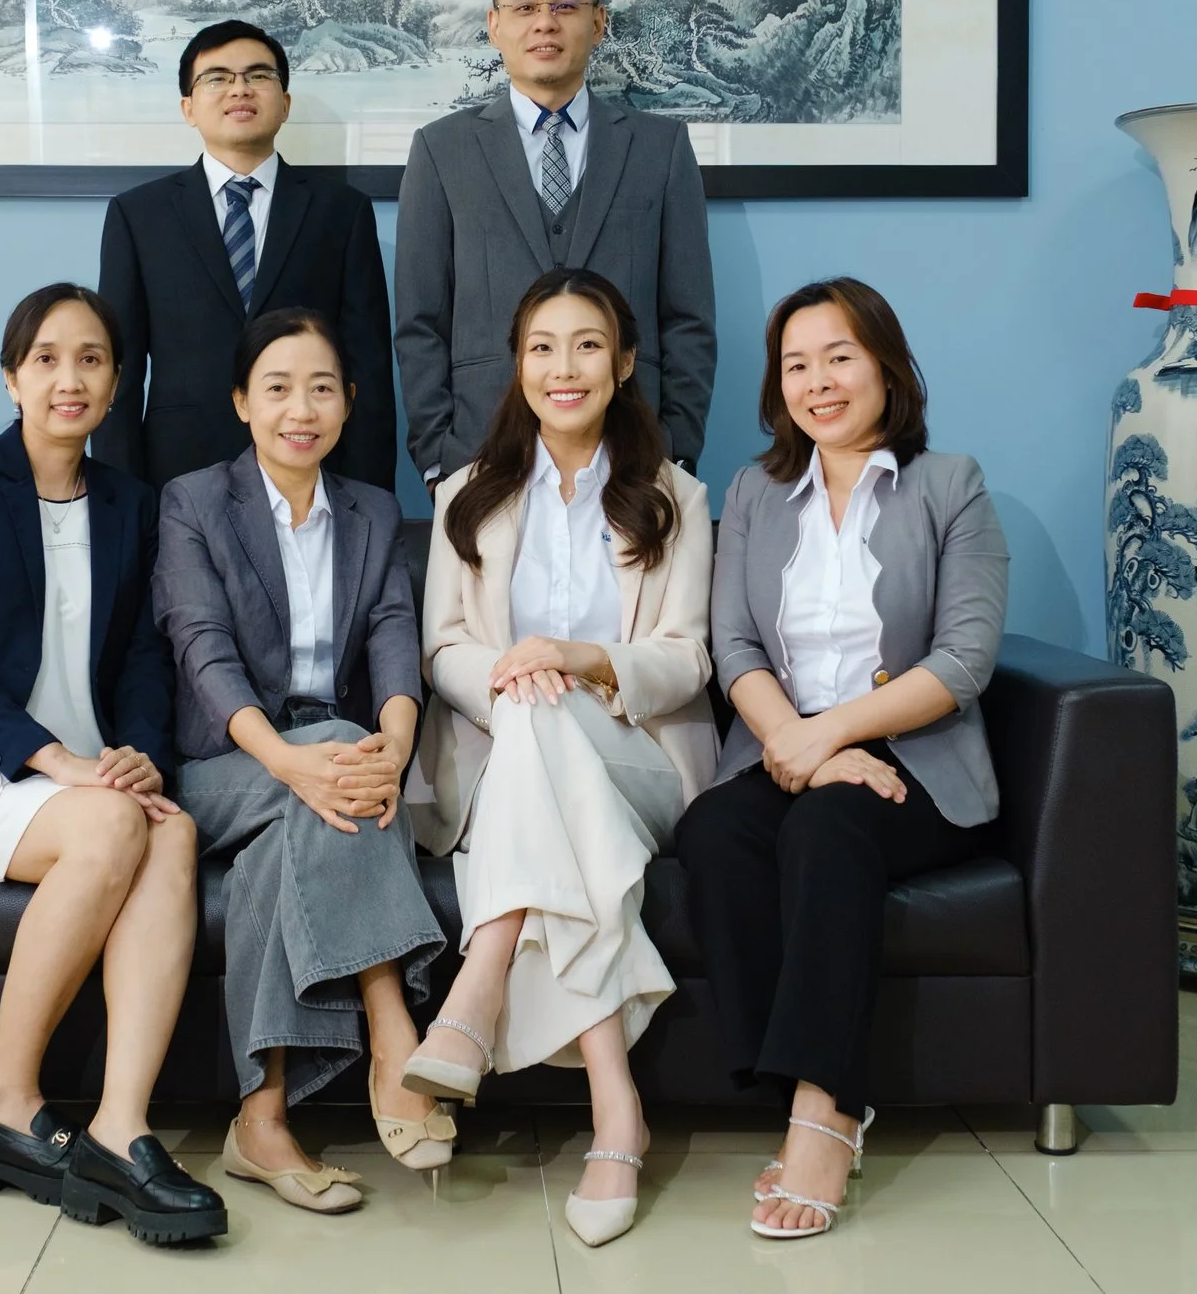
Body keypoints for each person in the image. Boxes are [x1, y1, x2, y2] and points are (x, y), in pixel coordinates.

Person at [0, 283, 226, 1247]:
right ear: (12, 378)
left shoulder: (132, 504)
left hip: (86, 778)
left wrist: (138, 757)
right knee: (112, 825)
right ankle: (3, 1100)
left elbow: (142, 658)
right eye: (49, 358)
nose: (71, 378)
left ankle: (119, 1127)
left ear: (117, 381)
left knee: (171, 829)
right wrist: (57, 759)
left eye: (92, 359)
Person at [676, 277, 1009, 1241]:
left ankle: (827, 1109)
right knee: (714, 828)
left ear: (886, 368)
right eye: (796, 365)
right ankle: (781, 1081)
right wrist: (799, 741)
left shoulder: (950, 484)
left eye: (839, 357)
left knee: (827, 826)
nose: (817, 382)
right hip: (784, 747)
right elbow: (734, 644)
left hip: (913, 760)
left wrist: (833, 737)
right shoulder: (754, 491)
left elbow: (965, 659)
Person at [400, 267, 715, 1248]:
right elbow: (444, 647)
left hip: (640, 764)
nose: (563, 367)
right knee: (536, 719)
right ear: (518, 363)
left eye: (587, 345)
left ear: (623, 364)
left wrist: (579, 660)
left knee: (548, 714)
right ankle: (616, 1109)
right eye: (542, 346)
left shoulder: (676, 496)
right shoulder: (466, 496)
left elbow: (686, 656)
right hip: (510, 756)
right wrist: (514, 682)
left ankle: (479, 980)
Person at [154, 309, 450, 1215]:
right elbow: (202, 648)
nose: (301, 408)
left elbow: (395, 636)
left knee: (285, 846)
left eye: (322, 388)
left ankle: (262, 1118)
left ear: (349, 402)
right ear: (242, 401)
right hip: (228, 759)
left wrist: (395, 746)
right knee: (327, 762)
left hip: (338, 763)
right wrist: (289, 758)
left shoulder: (370, 509)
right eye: (278, 388)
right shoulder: (195, 501)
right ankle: (394, 1027)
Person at [393, 0, 716, 486]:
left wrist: (677, 450)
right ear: (494, 25)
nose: (545, 22)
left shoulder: (660, 148)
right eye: (524, 7)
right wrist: (438, 459)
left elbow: (689, 317)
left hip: (634, 454)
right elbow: (420, 321)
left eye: (566, 5)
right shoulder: (440, 150)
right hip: (480, 453)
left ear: (598, 22)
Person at [96, 20, 398, 490]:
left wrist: (370, 495)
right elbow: (121, 371)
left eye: (258, 75)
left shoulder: (342, 212)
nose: (240, 89)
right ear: (188, 107)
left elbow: (368, 366)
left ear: (285, 103)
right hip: (179, 472)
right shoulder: (138, 215)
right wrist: (119, 498)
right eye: (217, 78)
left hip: (314, 471)